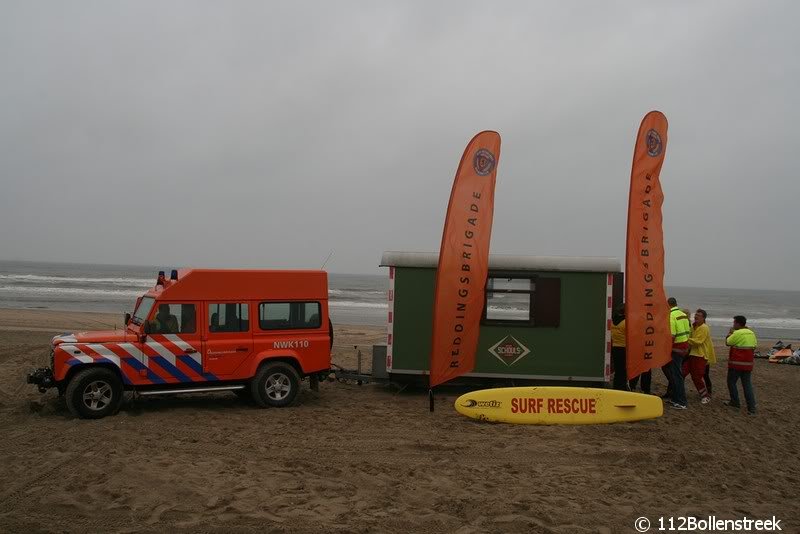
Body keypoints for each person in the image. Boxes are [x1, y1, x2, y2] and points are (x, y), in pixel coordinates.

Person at [725, 315, 757, 415]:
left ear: (738, 323)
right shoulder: (751, 333)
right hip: (748, 364)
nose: (733, 324)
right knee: (747, 385)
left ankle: (735, 401)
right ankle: (751, 407)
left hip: (736, 363)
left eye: (734, 323)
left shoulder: (737, 333)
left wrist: (730, 333)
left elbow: (728, 342)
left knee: (731, 382)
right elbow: (755, 345)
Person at [685, 309, 714, 404]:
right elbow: (691, 338)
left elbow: (699, 341)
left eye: (698, 315)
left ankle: (705, 395)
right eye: (696, 314)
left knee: (697, 377)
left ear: (703, 318)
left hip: (701, 355)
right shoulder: (694, 326)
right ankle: (677, 392)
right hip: (692, 354)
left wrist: (685, 339)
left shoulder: (704, 327)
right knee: (682, 373)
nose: (696, 316)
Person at [666, 297, 691, 409]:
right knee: (675, 374)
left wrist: (667, 349)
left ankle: (681, 401)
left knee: (676, 375)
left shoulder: (671, 316)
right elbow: (688, 331)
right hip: (684, 347)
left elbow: (672, 335)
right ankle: (675, 399)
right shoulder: (683, 314)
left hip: (676, 348)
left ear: (668, 305)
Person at [610, 304, 628, 390]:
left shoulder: (612, 321)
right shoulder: (625, 322)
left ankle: (616, 386)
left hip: (615, 347)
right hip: (623, 348)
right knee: (623, 370)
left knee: (617, 370)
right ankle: (622, 387)